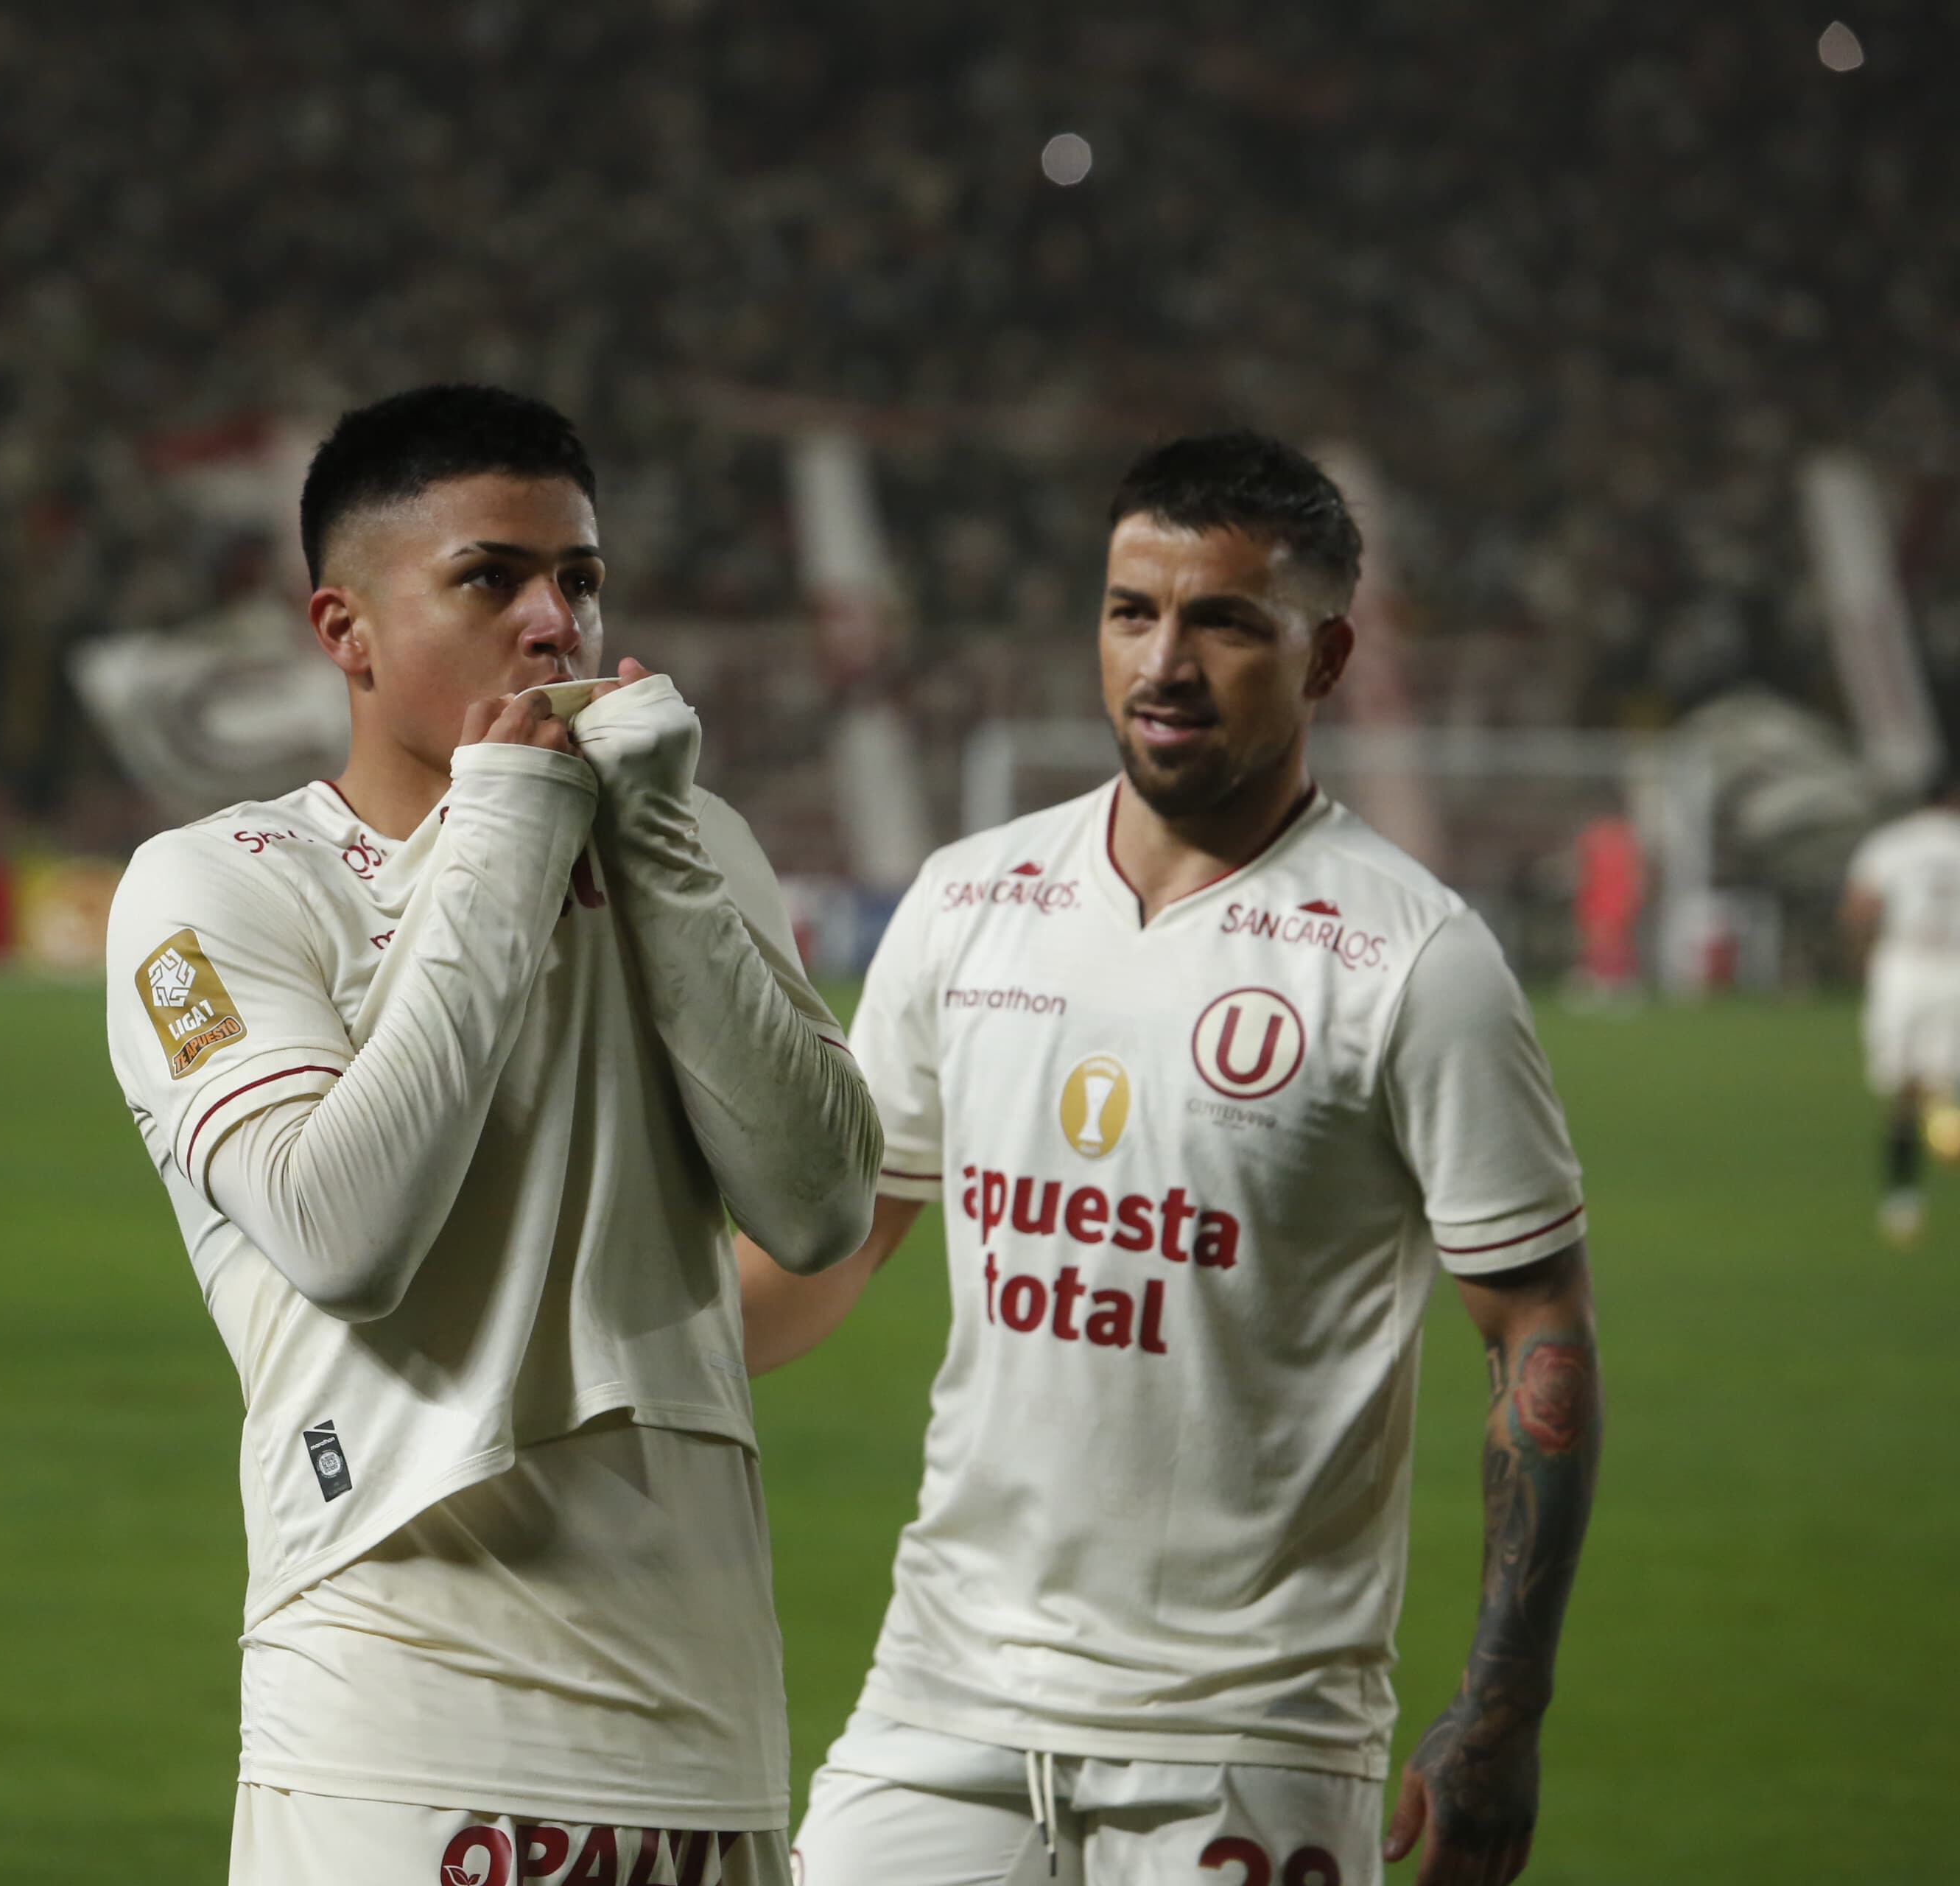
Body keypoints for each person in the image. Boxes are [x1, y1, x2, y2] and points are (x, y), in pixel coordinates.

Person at [745, 432, 1604, 1886]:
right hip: (943, 1697)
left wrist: (1502, 1714)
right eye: (1131, 610)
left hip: (1246, 1730)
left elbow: (1538, 1331)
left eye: (1223, 620)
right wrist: (592, 1356)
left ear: (1325, 656)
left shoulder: (1415, 959)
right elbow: (832, 1247)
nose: (1165, 661)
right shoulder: (967, 903)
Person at [101, 384, 882, 1885]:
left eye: (580, 579)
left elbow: (820, 1202)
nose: (556, 623)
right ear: (346, 630)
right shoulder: (218, 887)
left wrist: (654, 839)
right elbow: (345, 1230)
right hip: (403, 1730)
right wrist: (510, 827)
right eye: (492, 578)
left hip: (710, 1735)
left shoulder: (685, 839)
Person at [1838, 774, 1960, 1246]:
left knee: (1901, 1091)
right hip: (1953, 965)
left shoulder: (1893, 842)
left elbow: (1860, 907)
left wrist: (1856, 960)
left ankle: (1903, 1204)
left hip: (1905, 965)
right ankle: (1941, 1129)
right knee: (1938, 1086)